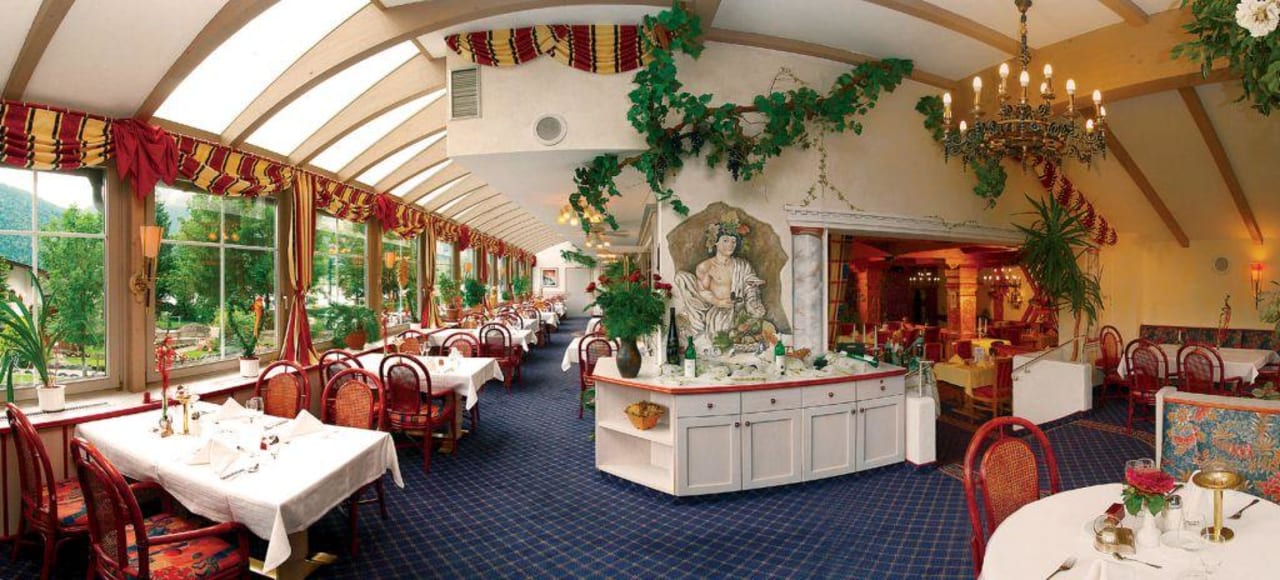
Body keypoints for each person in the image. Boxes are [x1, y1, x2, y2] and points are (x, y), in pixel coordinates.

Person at [674, 216, 767, 349]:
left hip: (740, 311)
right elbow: (703, 291)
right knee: (722, 337)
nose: (731, 244)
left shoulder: (743, 265)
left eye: (734, 241)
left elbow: (750, 289)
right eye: (726, 240)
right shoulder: (705, 266)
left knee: (754, 330)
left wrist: (752, 302)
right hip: (719, 311)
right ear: (715, 243)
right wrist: (719, 302)